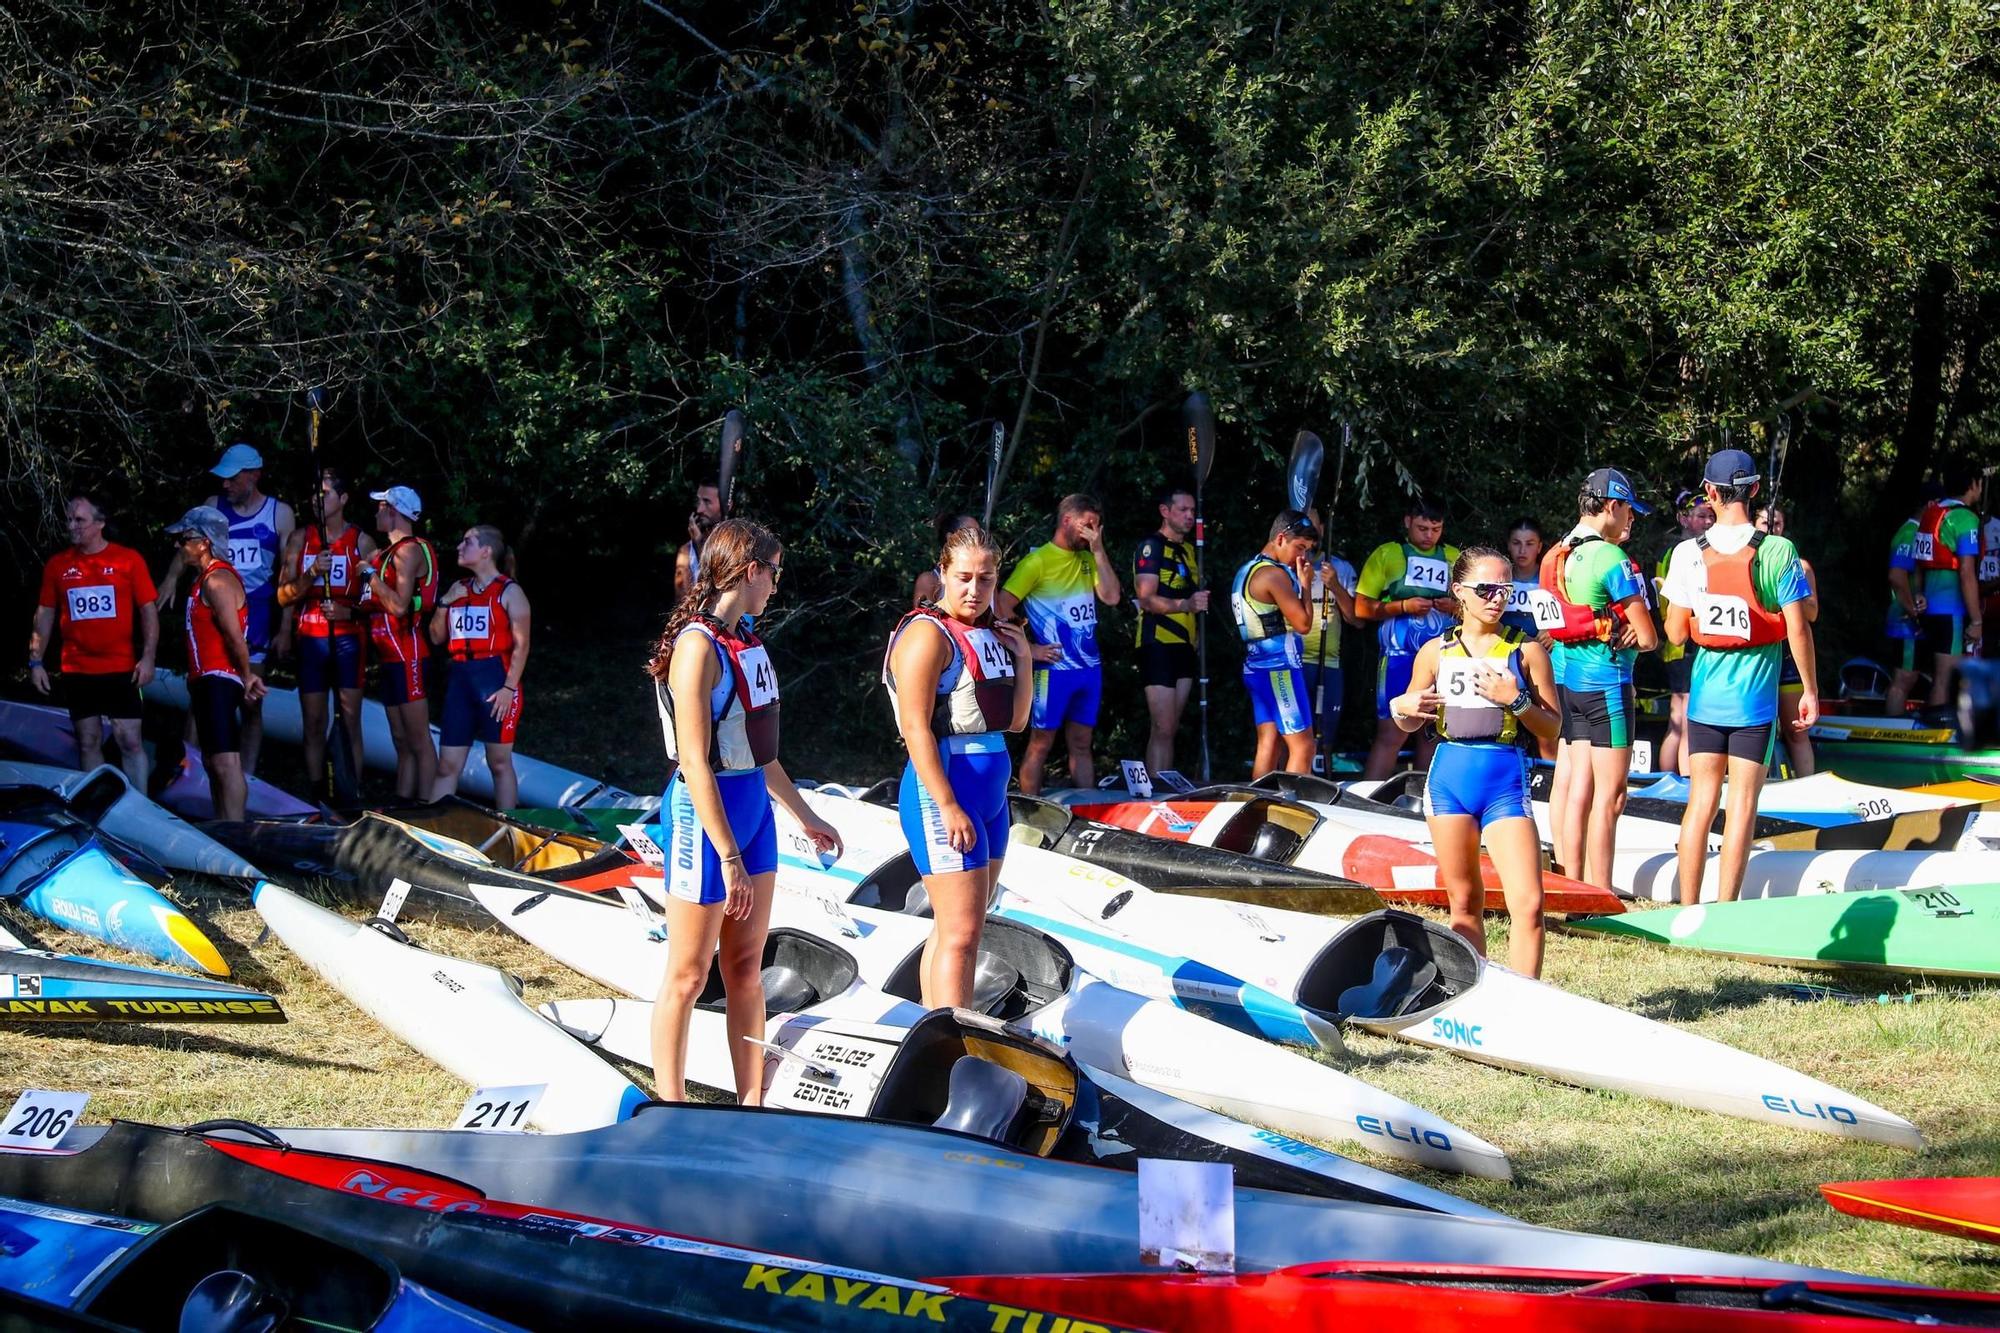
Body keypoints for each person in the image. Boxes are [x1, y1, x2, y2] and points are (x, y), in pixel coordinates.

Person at [646, 518, 841, 1103]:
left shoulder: (747, 641)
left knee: (746, 965)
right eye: (774, 573)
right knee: (688, 971)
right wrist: (727, 853)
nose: (777, 587)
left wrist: (805, 814)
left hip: (753, 808)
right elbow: (695, 761)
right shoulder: (695, 648)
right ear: (751, 571)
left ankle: (751, 1097)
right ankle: (671, 1102)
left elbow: (760, 755)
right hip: (706, 819)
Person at [1388, 547, 1559, 978]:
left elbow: (1552, 727)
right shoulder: (1435, 651)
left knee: (1529, 904)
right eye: (1486, 589)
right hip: (1449, 780)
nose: (1496, 598)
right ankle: (1472, 992)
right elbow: (1408, 719)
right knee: (1463, 903)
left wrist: (1515, 700)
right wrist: (1401, 706)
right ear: (1460, 592)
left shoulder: (1527, 651)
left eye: (1505, 589)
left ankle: (1525, 999)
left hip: (1504, 781)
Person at [885, 523, 1033, 1006]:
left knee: (960, 928)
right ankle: (951, 1045)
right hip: (945, 795)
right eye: (964, 577)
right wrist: (948, 804)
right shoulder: (928, 635)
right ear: (942, 573)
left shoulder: (993, 633)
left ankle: (933, 1029)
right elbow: (915, 727)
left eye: (986, 579)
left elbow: (1015, 722)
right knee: (962, 934)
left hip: (991, 800)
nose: (975, 590)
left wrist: (1025, 661)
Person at [1660, 448, 1817, 905]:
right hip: (1755, 702)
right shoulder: (1779, 550)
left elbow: (1673, 631)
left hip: (1706, 695)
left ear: (1709, 493)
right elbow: (1798, 627)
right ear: (1753, 491)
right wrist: (1809, 689)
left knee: (1700, 803)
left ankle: (1688, 907)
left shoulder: (1686, 552)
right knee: (1742, 805)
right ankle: (1725, 911)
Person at [1539, 469, 1658, 891]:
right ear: (1611, 506)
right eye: (1629, 510)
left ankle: (1572, 884)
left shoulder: (1555, 553)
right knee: (1611, 796)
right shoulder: (1610, 557)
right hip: (1607, 685)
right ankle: (1601, 894)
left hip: (1567, 684)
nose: (1631, 520)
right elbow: (1647, 638)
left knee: (1574, 789)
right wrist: (1632, 632)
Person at [156, 443, 294, 777]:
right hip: (212, 610)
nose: (225, 484)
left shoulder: (280, 513)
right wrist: (171, 579)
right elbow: (189, 542)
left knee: (251, 702)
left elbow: (288, 573)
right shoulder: (213, 506)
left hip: (256, 617)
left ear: (253, 475)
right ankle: (191, 770)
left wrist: (285, 627)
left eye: (232, 478)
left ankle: (244, 775)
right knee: (203, 695)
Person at [29, 494, 159, 785]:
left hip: (120, 667)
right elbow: (45, 614)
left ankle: (140, 807)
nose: (71, 526)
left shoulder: (128, 560)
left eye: (79, 520)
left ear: (99, 523)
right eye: (69, 519)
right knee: (88, 742)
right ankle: (98, 809)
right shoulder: (57, 565)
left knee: (130, 740)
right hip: (77, 669)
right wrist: (35, 660)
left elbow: (148, 611)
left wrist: (148, 657)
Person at [996, 494, 1121, 794]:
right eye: (1087, 524)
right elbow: (1001, 606)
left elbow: (1112, 596)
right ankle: (1029, 811)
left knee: (1082, 743)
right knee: (1041, 743)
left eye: (1097, 526)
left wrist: (1099, 549)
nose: (1093, 531)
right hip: (1052, 671)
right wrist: (1028, 648)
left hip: (1089, 669)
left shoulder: (1090, 558)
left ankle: (1090, 816)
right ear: (1067, 520)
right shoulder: (1037, 562)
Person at [274, 470, 376, 794]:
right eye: (314, 495)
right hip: (310, 636)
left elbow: (376, 598)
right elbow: (283, 595)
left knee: (348, 721)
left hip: (348, 637)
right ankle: (318, 791)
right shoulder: (299, 539)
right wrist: (312, 572)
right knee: (314, 721)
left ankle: (353, 793)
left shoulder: (361, 541)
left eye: (326, 493)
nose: (318, 500)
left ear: (343, 499)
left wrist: (350, 610)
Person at [165, 507, 267, 821]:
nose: (178, 546)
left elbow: (235, 638)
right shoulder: (205, 579)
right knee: (212, 762)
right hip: (206, 680)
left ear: (204, 542)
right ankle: (223, 825)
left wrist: (247, 676)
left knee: (226, 762)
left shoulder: (218, 580)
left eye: (184, 539)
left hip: (219, 679)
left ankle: (236, 830)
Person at [1355, 499, 1459, 779]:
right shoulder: (1388, 554)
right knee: (1392, 732)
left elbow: (1476, 606)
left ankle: (1425, 800)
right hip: (1398, 657)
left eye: (1435, 529)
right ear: (1407, 522)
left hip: (1443, 659)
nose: (1429, 535)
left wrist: (1455, 607)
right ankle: (1369, 802)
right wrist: (1402, 606)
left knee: (1431, 731)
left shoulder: (1453, 556)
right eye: (1422, 528)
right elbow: (1361, 607)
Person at [430, 526, 532, 808]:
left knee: (499, 763)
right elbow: (436, 637)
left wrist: (508, 688)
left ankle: (509, 829)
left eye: (468, 542)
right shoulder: (458, 590)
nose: (460, 547)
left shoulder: (509, 592)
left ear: (486, 551)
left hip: (495, 680)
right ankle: (433, 830)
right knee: (447, 765)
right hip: (461, 680)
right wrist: (443, 603)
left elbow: (522, 645)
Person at [359, 485, 439, 801]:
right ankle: (402, 804)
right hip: (389, 658)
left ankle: (427, 808)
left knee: (419, 740)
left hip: (409, 655)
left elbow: (398, 606)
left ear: (393, 511)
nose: (376, 512)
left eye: (381, 507)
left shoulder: (408, 551)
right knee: (400, 740)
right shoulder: (386, 554)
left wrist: (369, 576)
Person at [1231, 511, 1320, 778]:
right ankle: (1295, 810)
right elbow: (1303, 624)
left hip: (1256, 665)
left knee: (1269, 743)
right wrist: (1305, 586)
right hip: (1279, 667)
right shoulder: (1274, 574)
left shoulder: (1246, 569)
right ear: (1280, 538)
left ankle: (1256, 805)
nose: (1302, 557)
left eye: (1308, 550)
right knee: (1303, 746)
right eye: (1299, 548)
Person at [1131, 487, 1206, 777]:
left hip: (1184, 645)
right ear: (1166, 511)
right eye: (1183, 510)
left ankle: (1161, 784)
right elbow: (1146, 598)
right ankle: (1153, 792)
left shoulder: (1189, 551)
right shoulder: (1151, 546)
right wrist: (1186, 604)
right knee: (1162, 724)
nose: (1190, 516)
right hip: (1157, 643)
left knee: (1171, 726)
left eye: (1192, 511)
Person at [1912, 464, 1985, 706]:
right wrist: (1976, 620)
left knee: (1940, 675)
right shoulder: (1965, 518)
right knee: (1944, 679)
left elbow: (1919, 564)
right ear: (1973, 485)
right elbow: (1966, 572)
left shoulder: (1931, 514)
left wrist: (1918, 594)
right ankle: (1939, 732)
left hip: (1928, 610)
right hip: (1950, 612)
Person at [1653, 489, 1715, 775]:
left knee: (1682, 716)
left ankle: (1672, 779)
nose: (1708, 522)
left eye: (1712, 516)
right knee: (1683, 717)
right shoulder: (1677, 553)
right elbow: (1669, 604)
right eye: (1701, 516)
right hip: (1681, 644)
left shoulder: (1703, 551)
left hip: (1689, 643)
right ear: (1683, 518)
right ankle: (1679, 782)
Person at [1756, 504, 1818, 776]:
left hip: (1789, 656)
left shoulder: (1799, 565)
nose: (1771, 528)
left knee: (1796, 730)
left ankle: (1807, 784)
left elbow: (1812, 612)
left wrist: (1791, 594)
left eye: (1777, 524)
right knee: (1759, 730)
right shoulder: (1746, 559)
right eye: (1765, 523)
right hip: (1759, 655)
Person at [1300, 510, 1360, 768]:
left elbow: (1357, 620)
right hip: (1294, 663)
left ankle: (1323, 787)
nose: (1309, 535)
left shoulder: (1340, 568)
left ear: (1322, 529)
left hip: (1329, 664)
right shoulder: (1282, 569)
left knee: (1326, 736)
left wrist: (1334, 585)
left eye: (1313, 527)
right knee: (1293, 734)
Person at [1498, 516, 1559, 762]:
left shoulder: (1549, 579)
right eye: (1516, 543)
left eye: (1530, 543)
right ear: (1508, 545)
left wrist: (1554, 633)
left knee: (1546, 730)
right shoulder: (1501, 576)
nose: (1522, 550)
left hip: (1542, 660)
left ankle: (1550, 783)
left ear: (1540, 546)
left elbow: (1562, 618)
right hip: (1504, 659)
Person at [1883, 486, 1944, 715]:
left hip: (1913, 620)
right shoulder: (1909, 533)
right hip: (1905, 621)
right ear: (1930, 505)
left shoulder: (1920, 533)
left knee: (1912, 675)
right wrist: (1914, 613)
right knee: (1904, 677)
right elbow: (1896, 576)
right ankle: (1891, 732)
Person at [672, 478, 724, 606]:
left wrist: (700, 543)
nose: (699, 509)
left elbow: (724, 589)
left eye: (707, 502)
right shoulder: (687, 551)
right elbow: (682, 607)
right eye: (698, 501)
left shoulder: (738, 546)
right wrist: (698, 543)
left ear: (727, 505)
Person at [914, 514, 980, 607]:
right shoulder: (929, 581)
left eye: (979, 533)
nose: (977, 538)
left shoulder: (985, 579)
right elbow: (923, 618)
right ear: (950, 538)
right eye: (970, 533)